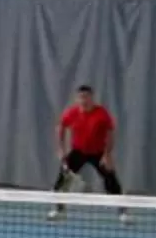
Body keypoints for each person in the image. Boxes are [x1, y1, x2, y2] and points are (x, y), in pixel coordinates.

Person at [50, 84, 125, 220]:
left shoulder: (102, 113)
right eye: (81, 97)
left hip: (98, 153)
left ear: (92, 98)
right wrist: (61, 150)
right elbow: (60, 127)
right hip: (78, 152)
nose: (84, 100)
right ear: (77, 99)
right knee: (61, 181)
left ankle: (122, 212)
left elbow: (110, 134)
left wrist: (107, 155)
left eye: (86, 97)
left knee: (112, 182)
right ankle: (59, 210)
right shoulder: (71, 113)